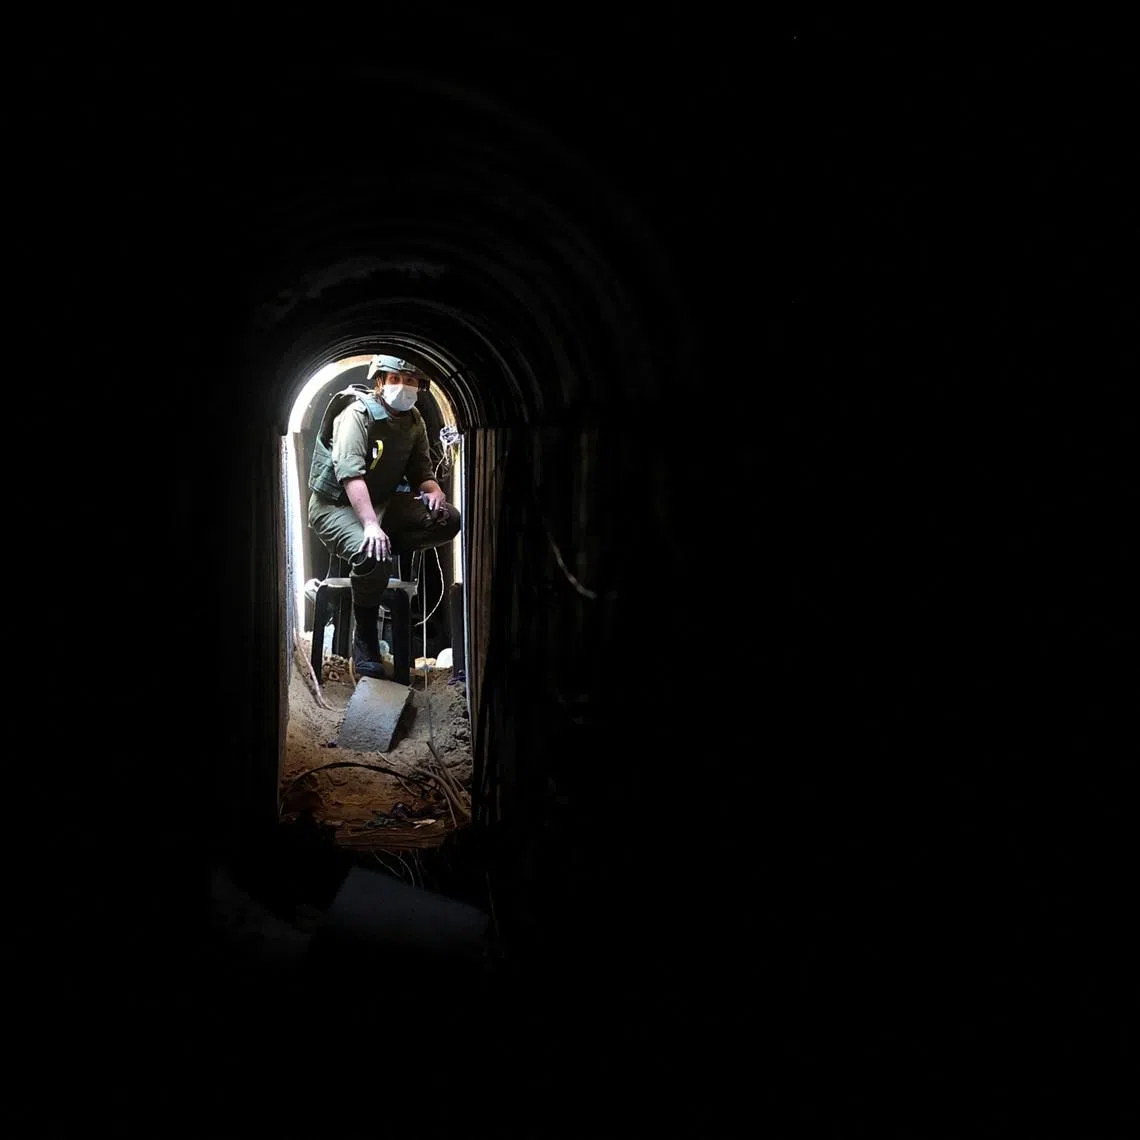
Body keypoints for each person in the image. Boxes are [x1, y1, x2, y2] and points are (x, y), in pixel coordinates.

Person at [307, 354, 461, 679]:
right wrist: (371, 526)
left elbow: (421, 469)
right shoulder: (357, 414)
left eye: (410, 381)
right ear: (381, 381)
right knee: (370, 552)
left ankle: (378, 564)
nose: (403, 387)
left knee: (448, 519)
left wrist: (433, 490)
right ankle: (364, 636)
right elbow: (350, 475)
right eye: (395, 379)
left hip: (382, 503)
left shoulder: (414, 420)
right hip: (335, 506)